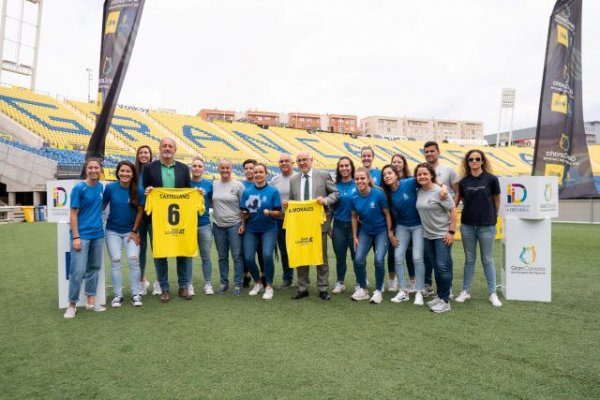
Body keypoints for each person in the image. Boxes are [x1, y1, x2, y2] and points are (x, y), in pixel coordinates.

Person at [143, 137, 193, 303]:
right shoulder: (150, 168)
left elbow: (188, 191)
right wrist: (148, 190)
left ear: (175, 149)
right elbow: (145, 188)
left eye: (170, 146)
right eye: (164, 146)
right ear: (159, 148)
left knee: (182, 251)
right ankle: (164, 288)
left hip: (179, 219)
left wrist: (195, 194)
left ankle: (183, 286)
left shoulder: (184, 169)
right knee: (160, 253)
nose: (167, 148)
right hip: (157, 219)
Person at [285, 151, 339, 301]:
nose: (302, 163)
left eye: (305, 160)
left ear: (311, 160)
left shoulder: (323, 175)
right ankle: (303, 288)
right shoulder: (294, 179)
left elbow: (335, 194)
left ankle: (323, 288)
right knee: (302, 256)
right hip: (301, 226)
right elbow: (291, 200)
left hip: (318, 224)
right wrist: (287, 205)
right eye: (299, 160)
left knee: (321, 257)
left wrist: (325, 200)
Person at [455, 149, 503, 307]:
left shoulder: (491, 179)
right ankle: (465, 291)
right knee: (469, 260)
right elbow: (463, 201)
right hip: (467, 225)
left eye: (477, 159)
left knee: (487, 260)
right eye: (471, 159)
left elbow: (497, 200)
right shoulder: (464, 182)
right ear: (467, 162)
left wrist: (493, 217)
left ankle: (492, 293)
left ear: (482, 161)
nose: (474, 161)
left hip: (487, 225)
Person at [63, 158, 106, 319]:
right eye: (91, 168)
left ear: (100, 170)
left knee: (94, 268)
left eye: (96, 167)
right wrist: (76, 236)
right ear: (86, 170)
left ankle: (91, 301)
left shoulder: (101, 187)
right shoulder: (79, 188)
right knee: (77, 270)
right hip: (82, 235)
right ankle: (71, 305)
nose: (94, 170)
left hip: (97, 234)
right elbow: (73, 214)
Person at [415, 163, 457, 313]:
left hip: (442, 235)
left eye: (425, 174)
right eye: (419, 174)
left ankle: (445, 301)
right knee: (435, 267)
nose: (422, 177)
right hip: (428, 235)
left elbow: (453, 209)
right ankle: (440, 297)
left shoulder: (440, 192)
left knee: (442, 267)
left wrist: (451, 231)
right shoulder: (419, 191)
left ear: (431, 175)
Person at [350, 167, 395, 304]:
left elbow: (387, 214)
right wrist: (354, 236)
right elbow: (353, 217)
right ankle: (363, 289)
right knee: (358, 259)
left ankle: (378, 291)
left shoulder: (378, 194)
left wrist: (390, 232)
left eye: (362, 178)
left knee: (379, 259)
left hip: (381, 231)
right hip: (365, 232)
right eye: (357, 179)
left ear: (368, 179)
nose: (359, 181)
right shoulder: (354, 197)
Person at [103, 160, 144, 308]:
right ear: (118, 173)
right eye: (122, 171)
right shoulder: (110, 188)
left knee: (133, 260)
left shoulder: (138, 190)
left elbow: (140, 211)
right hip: (112, 231)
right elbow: (101, 206)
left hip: (131, 232)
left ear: (133, 174)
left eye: (128, 171)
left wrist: (134, 231)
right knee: (116, 261)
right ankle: (118, 295)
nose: (125, 174)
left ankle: (135, 294)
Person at [422, 141, 460, 296]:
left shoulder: (448, 170)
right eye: (427, 151)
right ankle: (429, 285)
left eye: (432, 151)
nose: (429, 153)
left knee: (443, 260)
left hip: (444, 224)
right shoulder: (422, 170)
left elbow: (457, 192)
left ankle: (447, 287)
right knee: (430, 259)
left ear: (438, 152)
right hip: (428, 225)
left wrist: (450, 207)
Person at [240, 163, 282, 300]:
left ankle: (268, 286)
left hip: (268, 229)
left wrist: (269, 212)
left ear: (266, 174)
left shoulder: (273, 191)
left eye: (260, 172)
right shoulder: (247, 192)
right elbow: (244, 212)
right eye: (256, 172)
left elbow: (278, 212)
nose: (258, 174)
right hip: (251, 229)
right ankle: (257, 282)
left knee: (267, 255)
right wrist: (244, 216)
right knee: (248, 258)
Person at [212, 159, 245, 296]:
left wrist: (243, 223)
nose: (225, 170)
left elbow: (244, 207)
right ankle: (224, 283)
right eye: (222, 168)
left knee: (237, 255)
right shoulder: (214, 184)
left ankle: (238, 283)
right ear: (218, 169)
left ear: (231, 169)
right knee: (222, 256)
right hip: (218, 225)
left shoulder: (238, 185)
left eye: (227, 168)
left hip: (234, 224)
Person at [330, 156, 357, 294]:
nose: (344, 168)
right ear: (338, 169)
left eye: (347, 165)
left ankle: (360, 282)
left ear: (351, 167)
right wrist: (329, 226)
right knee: (340, 257)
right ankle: (340, 282)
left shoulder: (358, 183)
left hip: (355, 227)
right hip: (339, 226)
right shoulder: (334, 186)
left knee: (356, 256)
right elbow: (331, 208)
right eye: (342, 166)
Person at [390, 153, 416, 292]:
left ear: (404, 164)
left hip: (410, 223)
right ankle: (393, 281)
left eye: (399, 161)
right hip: (393, 223)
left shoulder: (410, 180)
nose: (396, 164)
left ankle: (413, 281)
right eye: (394, 161)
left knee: (411, 252)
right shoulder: (387, 181)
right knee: (393, 251)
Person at [190, 157, 214, 296]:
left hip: (204, 224)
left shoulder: (209, 185)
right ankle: (188, 283)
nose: (197, 168)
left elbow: (214, 201)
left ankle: (208, 283)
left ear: (203, 169)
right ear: (191, 168)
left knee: (206, 255)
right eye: (194, 166)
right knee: (188, 256)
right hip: (188, 225)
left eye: (200, 166)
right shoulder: (184, 183)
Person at [270, 153, 294, 289]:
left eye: (287, 161)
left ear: (292, 163)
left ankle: (303, 278)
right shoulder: (275, 180)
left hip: (295, 220)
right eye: (281, 161)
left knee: (298, 249)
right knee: (284, 250)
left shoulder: (298, 178)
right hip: (279, 220)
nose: (284, 163)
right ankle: (287, 277)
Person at [134, 145, 155, 296]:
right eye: (140, 153)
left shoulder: (156, 170)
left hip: (155, 216)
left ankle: (160, 281)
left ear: (150, 155)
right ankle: (142, 281)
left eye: (146, 152)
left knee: (158, 248)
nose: (143, 155)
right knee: (140, 249)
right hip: (139, 216)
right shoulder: (133, 173)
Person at [241, 158, 265, 287]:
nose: (249, 171)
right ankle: (246, 275)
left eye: (252, 168)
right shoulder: (241, 186)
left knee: (261, 251)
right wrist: (242, 222)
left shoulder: (264, 185)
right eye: (247, 168)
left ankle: (263, 275)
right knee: (246, 251)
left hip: (261, 224)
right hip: (247, 224)